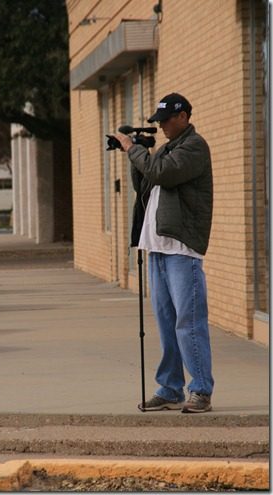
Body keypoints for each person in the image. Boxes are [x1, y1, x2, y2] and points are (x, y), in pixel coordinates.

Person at [115, 93, 214, 413]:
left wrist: (134, 149)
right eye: (159, 122)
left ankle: (200, 389)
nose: (164, 126)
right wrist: (139, 152)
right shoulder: (167, 149)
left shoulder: (194, 146)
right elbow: (146, 183)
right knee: (167, 322)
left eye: (168, 120)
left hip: (181, 249)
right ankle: (170, 388)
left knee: (189, 322)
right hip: (156, 248)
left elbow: (163, 174)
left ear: (184, 116)